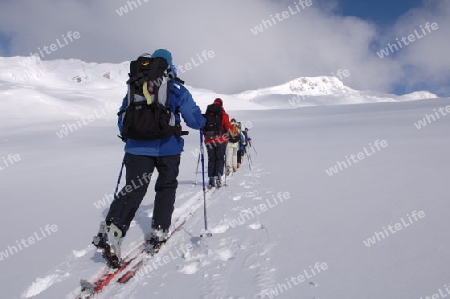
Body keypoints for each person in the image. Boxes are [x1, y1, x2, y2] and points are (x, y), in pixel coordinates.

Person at [92, 49, 206, 265]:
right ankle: (160, 230)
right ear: (170, 65)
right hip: (168, 149)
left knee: (133, 189)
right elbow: (193, 119)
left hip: (136, 149)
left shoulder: (135, 84)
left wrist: (132, 139)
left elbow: (122, 116)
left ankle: (112, 229)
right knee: (165, 187)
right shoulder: (175, 87)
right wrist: (202, 122)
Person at [203, 98, 230, 188]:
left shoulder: (207, 113)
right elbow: (227, 127)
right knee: (220, 158)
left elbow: (202, 125)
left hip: (208, 140)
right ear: (221, 104)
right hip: (220, 140)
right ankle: (218, 177)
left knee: (211, 158)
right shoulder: (224, 114)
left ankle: (211, 178)